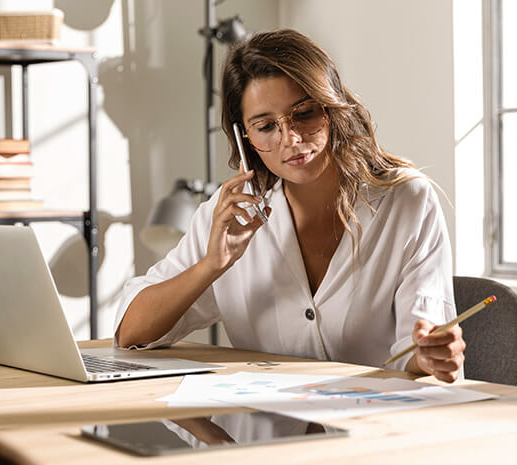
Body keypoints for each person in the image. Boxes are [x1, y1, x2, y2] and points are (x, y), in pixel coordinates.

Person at [114, 29, 465, 383]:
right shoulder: (229, 216)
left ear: (331, 107)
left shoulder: (406, 202)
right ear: (245, 138)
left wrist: (431, 355)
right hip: (262, 430)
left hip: (375, 426)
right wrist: (212, 265)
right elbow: (130, 334)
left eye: (305, 113)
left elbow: (420, 348)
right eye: (266, 126)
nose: (291, 139)